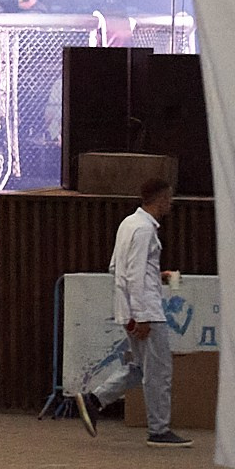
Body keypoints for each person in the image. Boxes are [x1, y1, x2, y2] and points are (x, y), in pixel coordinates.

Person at [89, 178, 189, 446]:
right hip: (147, 311)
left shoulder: (128, 224)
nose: (171, 203)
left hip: (129, 309)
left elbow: (117, 268)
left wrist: (156, 277)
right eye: (169, 198)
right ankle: (159, 429)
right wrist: (142, 315)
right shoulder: (145, 230)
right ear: (161, 199)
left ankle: (95, 399)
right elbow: (135, 275)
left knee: (139, 367)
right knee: (159, 371)